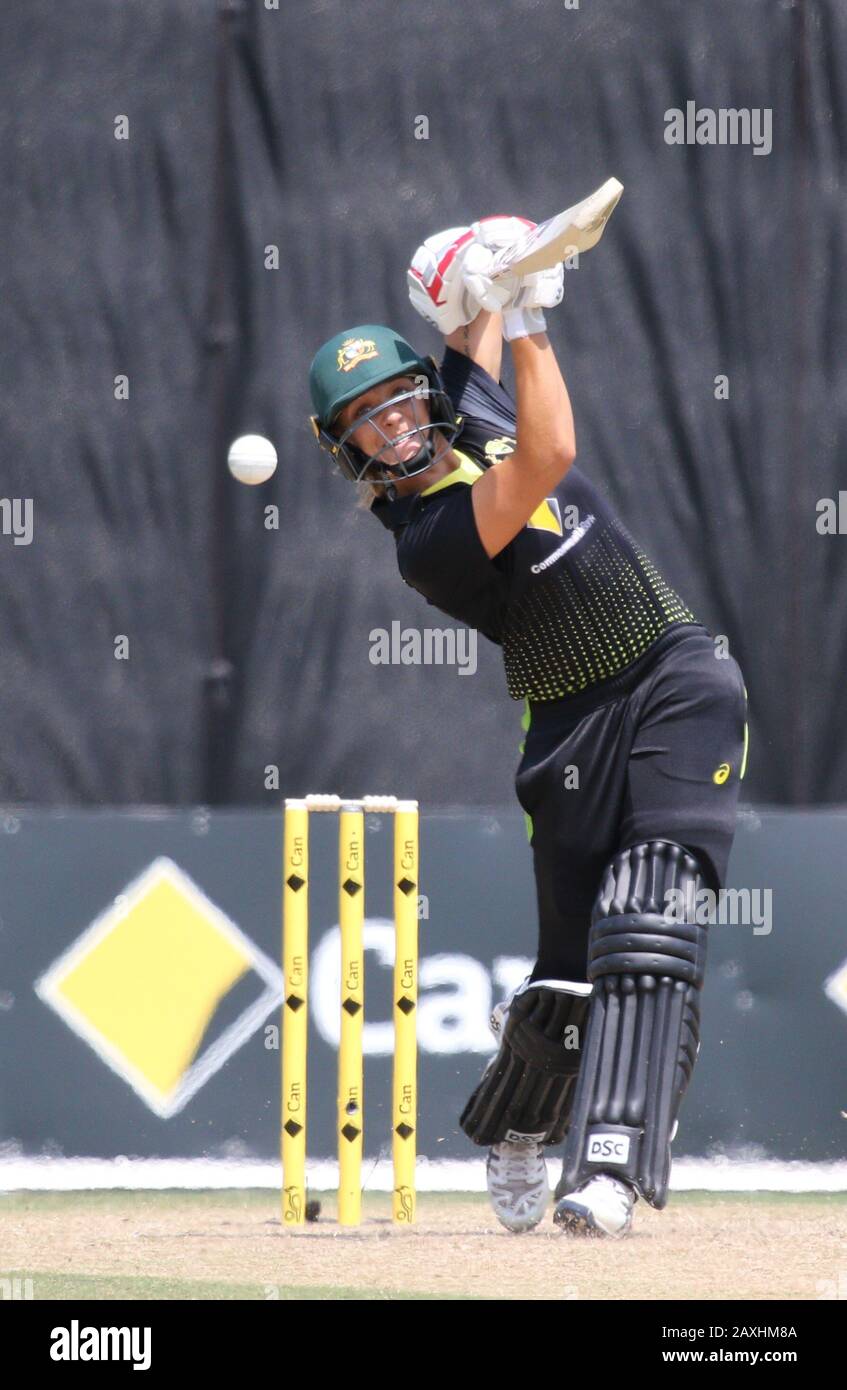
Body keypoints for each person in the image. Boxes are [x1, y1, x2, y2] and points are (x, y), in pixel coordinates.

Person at [308, 217, 749, 1239]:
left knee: (652, 918)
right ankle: (519, 1132)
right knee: (566, 980)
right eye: (367, 421)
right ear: (348, 451)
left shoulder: (463, 401)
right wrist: (535, 312)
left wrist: (483, 270)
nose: (397, 424)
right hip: (569, 729)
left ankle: (609, 1167)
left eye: (398, 397)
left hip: (679, 674)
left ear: (422, 386)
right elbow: (550, 451)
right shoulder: (426, 543)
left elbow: (472, 318)